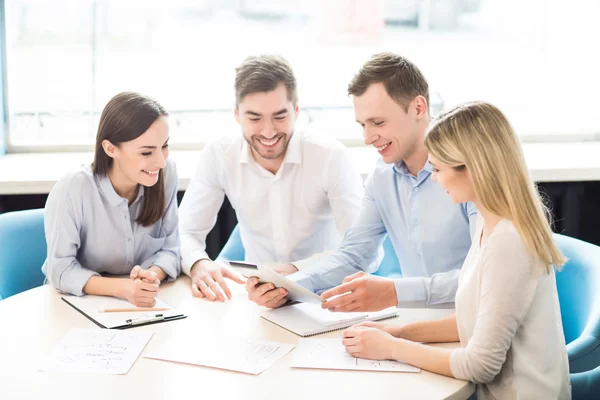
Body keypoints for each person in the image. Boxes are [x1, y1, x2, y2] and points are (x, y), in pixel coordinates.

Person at [343, 102, 570, 399]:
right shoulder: (486, 225)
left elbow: (480, 365)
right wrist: (398, 333)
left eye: (438, 168)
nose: (434, 178)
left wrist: (392, 348)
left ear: (474, 169)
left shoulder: (509, 242)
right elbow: (475, 321)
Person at [247, 52, 476, 310]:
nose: (368, 138)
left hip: (472, 324)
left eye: (378, 122)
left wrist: (395, 292)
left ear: (418, 108)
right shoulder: (382, 176)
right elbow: (355, 256)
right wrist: (287, 286)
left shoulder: (469, 170)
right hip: (415, 324)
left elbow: (484, 276)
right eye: (362, 125)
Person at [179, 55, 366, 303]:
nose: (268, 131)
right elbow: (183, 232)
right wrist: (199, 263)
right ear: (236, 114)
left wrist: (296, 272)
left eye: (280, 116)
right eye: (254, 118)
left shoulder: (331, 157)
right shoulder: (219, 155)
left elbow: (361, 249)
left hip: (325, 292)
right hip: (254, 299)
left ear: (296, 112)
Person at [42, 92, 180, 307]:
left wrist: (151, 276)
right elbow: (60, 269)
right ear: (110, 149)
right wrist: (123, 289)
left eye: (164, 146)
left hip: (141, 303)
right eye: (146, 152)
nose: (161, 162)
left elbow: (172, 248)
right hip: (78, 304)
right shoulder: (74, 188)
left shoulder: (165, 174)